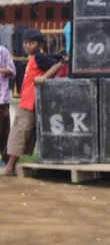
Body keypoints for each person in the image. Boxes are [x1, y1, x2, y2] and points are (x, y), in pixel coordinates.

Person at [4, 30, 63, 176]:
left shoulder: (38, 57)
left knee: (19, 133)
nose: (27, 45)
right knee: (20, 134)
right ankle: (10, 166)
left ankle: (9, 167)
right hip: (26, 101)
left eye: (31, 42)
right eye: (25, 42)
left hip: (29, 103)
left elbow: (57, 65)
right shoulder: (33, 59)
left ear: (40, 45)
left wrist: (44, 77)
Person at [0, 45, 15, 164]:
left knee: (3, 131)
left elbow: (12, 70)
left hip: (1, 99)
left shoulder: (2, 51)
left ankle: (6, 162)